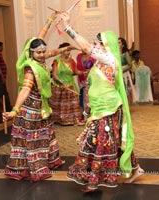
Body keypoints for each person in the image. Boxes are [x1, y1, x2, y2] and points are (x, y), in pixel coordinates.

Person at [60, 12, 144, 192]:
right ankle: (135, 168)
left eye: (97, 44)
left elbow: (86, 48)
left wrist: (68, 27)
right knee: (112, 142)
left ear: (105, 46)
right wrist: (89, 104)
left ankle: (94, 181)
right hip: (99, 107)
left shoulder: (110, 59)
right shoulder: (99, 63)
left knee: (99, 141)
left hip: (109, 109)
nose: (94, 47)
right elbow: (95, 83)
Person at [2, 13, 67, 182]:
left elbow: (43, 38)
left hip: (41, 106)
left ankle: (50, 160)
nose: (43, 54)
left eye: (43, 51)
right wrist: (14, 110)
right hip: (30, 109)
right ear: (31, 53)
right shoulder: (31, 69)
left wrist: (51, 19)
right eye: (39, 52)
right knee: (33, 138)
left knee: (46, 133)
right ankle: (35, 169)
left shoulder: (38, 57)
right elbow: (24, 90)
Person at [48, 42, 85, 126]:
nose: (68, 52)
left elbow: (76, 72)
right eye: (66, 50)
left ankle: (74, 120)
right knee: (59, 106)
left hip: (70, 85)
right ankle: (59, 120)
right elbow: (54, 74)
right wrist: (62, 82)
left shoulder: (71, 61)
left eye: (69, 50)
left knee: (74, 103)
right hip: (59, 86)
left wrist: (84, 72)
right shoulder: (57, 61)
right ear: (61, 51)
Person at [76, 50, 95, 121]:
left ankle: (90, 116)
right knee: (83, 100)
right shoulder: (78, 56)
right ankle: (85, 117)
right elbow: (78, 68)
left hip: (91, 81)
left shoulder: (93, 57)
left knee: (89, 99)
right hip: (82, 81)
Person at [119, 37, 137, 104]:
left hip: (124, 73)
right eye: (117, 42)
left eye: (119, 42)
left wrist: (122, 69)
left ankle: (125, 105)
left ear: (123, 44)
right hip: (117, 73)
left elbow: (130, 64)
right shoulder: (115, 52)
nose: (118, 44)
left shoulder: (125, 53)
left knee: (125, 89)